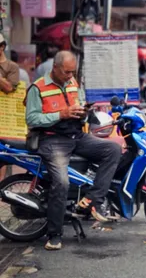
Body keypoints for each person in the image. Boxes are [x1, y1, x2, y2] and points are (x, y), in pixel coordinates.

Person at [25, 51, 122, 251]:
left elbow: (80, 113)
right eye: (67, 72)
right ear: (56, 68)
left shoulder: (73, 84)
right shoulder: (38, 88)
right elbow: (32, 119)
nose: (70, 76)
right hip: (53, 140)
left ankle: (92, 201)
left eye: (72, 72)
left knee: (112, 149)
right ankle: (54, 235)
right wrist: (61, 114)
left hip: (76, 136)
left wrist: (83, 114)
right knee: (61, 182)